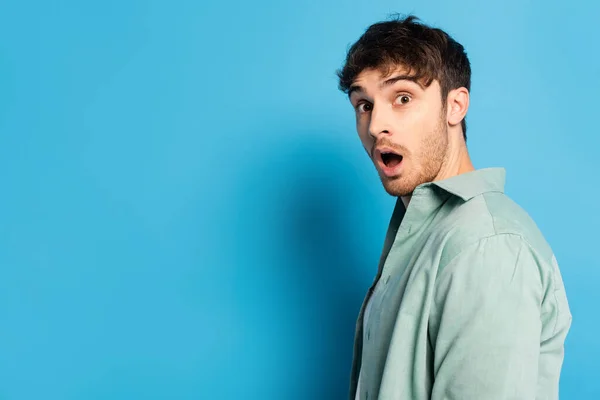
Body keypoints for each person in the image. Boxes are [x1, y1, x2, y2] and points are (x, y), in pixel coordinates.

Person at [336, 14, 572, 400]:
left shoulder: (487, 246)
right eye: (364, 104)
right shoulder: (424, 232)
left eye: (403, 98)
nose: (377, 123)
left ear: (455, 106)